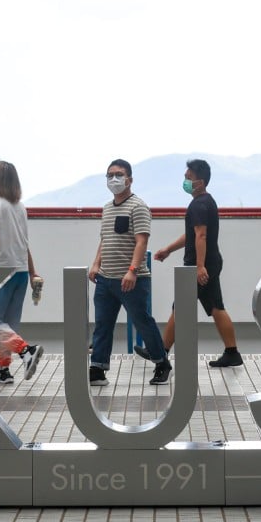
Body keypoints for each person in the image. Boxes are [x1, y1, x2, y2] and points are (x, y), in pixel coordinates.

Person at [136, 158, 243, 368]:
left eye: (188, 178)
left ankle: (160, 351)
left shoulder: (199, 205)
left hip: (199, 267)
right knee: (215, 307)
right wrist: (168, 249)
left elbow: (201, 236)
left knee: (183, 308)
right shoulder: (205, 202)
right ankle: (231, 352)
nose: (185, 181)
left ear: (200, 182)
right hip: (206, 264)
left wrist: (200, 266)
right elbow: (192, 235)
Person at [89, 159, 173, 386]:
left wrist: (132, 271)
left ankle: (162, 363)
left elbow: (141, 242)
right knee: (102, 324)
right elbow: (104, 239)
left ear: (130, 179)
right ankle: (97, 369)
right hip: (106, 279)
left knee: (143, 322)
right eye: (110, 175)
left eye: (119, 174)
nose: (114, 179)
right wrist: (96, 264)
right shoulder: (106, 208)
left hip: (132, 280)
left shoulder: (138, 207)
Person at [0, 160, 44, 384]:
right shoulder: (20, 207)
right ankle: (3, 370)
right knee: (8, 325)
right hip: (21, 271)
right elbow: (25, 243)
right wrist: (32, 272)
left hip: (0, 271)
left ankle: (26, 351)